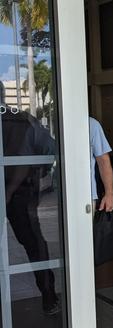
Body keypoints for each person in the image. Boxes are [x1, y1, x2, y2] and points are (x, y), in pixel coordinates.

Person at [1, 81, 60, 315]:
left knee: (34, 243)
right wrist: (36, 175)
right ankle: (49, 298)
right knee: (34, 244)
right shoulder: (23, 119)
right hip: (22, 193)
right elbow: (50, 149)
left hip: (18, 192)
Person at [89, 116, 113, 212]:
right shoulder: (54, 123)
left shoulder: (91, 124)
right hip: (56, 195)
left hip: (86, 196)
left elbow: (104, 162)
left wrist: (109, 194)